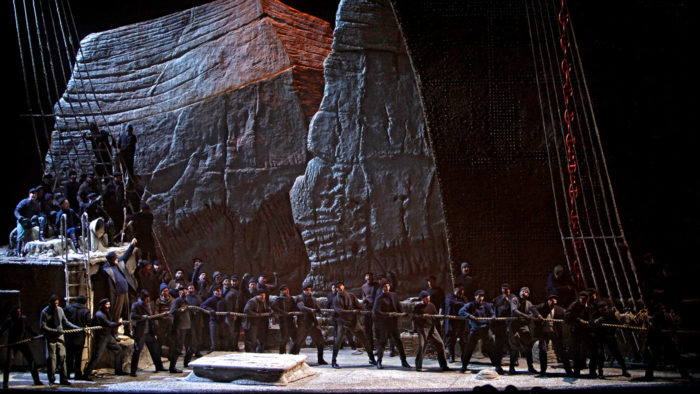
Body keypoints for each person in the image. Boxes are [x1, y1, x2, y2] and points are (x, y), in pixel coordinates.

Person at [330, 281, 377, 368]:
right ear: (336, 289)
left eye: (341, 286)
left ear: (343, 287)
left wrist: (364, 306)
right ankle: (333, 361)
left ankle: (372, 359)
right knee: (338, 342)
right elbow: (340, 311)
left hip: (353, 322)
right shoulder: (335, 299)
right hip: (343, 322)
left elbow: (358, 305)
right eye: (338, 287)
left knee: (364, 340)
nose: (340, 288)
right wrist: (352, 311)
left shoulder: (351, 296)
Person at [458, 290, 503, 374]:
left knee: (491, 348)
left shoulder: (487, 305)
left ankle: (497, 366)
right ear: (475, 297)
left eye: (482, 296)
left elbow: (492, 314)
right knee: (469, 348)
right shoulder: (471, 305)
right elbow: (461, 311)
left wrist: (492, 318)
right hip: (475, 329)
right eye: (479, 296)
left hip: (485, 329)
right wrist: (469, 316)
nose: (481, 298)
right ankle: (464, 366)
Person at [81, 299, 127, 380]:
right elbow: (109, 324)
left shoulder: (107, 313)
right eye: (106, 305)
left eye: (109, 304)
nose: (108, 306)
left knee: (118, 350)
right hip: (102, 338)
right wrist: (121, 323)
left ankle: (118, 370)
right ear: (102, 305)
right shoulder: (99, 314)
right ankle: (86, 374)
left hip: (108, 336)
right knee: (97, 356)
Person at [642, 302, 689, 380]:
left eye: (663, 309)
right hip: (656, 339)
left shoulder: (666, 317)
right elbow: (654, 330)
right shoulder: (655, 318)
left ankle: (684, 373)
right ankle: (648, 375)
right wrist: (646, 344)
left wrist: (671, 333)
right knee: (655, 357)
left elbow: (672, 327)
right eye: (661, 309)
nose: (663, 311)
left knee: (675, 356)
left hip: (665, 338)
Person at [98, 238, 137, 331]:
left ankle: (128, 330)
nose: (116, 260)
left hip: (125, 292)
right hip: (117, 294)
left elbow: (126, 256)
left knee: (126, 313)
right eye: (114, 259)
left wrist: (132, 245)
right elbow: (98, 277)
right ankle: (114, 333)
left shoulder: (118, 262)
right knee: (116, 314)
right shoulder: (106, 268)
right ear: (110, 260)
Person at [39, 294, 79, 385]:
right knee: (52, 359)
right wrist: (54, 331)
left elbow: (65, 322)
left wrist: (76, 328)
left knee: (62, 357)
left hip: (60, 337)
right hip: (50, 338)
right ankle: (51, 379)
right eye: (54, 304)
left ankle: (63, 379)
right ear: (50, 303)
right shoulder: (45, 312)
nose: (56, 305)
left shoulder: (60, 310)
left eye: (57, 303)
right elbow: (43, 326)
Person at [372, 280, 411, 369]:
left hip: (393, 323)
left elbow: (398, 306)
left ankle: (404, 361)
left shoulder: (394, 295)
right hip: (384, 324)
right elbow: (376, 311)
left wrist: (402, 313)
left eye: (388, 286)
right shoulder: (379, 298)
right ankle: (379, 362)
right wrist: (387, 314)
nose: (387, 288)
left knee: (399, 342)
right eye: (385, 286)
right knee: (382, 343)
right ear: (382, 288)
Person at [2, 306, 43, 388]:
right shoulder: (9, 321)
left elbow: (29, 329)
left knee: (31, 361)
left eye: (19, 312)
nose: (19, 314)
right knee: (8, 363)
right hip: (12, 344)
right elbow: (1, 330)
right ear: (13, 314)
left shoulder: (24, 319)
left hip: (23, 343)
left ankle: (37, 380)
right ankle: (5, 383)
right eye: (17, 312)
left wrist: (37, 335)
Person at [533, 294, 572, 376]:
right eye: (551, 302)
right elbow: (532, 308)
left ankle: (568, 370)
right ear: (548, 301)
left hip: (554, 332)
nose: (552, 304)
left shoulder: (559, 310)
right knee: (543, 350)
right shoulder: (543, 306)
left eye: (554, 303)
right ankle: (543, 371)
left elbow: (567, 314)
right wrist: (539, 316)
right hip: (543, 332)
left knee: (561, 350)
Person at [129, 290, 166, 376]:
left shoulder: (149, 305)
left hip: (149, 332)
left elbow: (152, 316)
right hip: (140, 332)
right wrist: (141, 317)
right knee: (137, 351)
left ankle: (159, 366)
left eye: (148, 298)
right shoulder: (136, 305)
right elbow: (132, 316)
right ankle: (133, 371)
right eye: (146, 298)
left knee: (155, 349)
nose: (147, 300)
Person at [412, 290, 449, 372]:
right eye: (426, 299)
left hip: (432, 327)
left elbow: (435, 315)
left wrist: (442, 317)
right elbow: (413, 317)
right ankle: (418, 365)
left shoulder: (431, 305)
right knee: (422, 346)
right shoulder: (417, 307)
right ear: (422, 299)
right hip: (422, 328)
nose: (428, 300)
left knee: (440, 344)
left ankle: (443, 365)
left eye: (429, 298)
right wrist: (421, 316)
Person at [590, 301, 629, 378]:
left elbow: (616, 322)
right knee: (600, 354)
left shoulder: (610, 314)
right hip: (600, 337)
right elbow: (591, 324)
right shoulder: (596, 315)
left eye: (605, 308)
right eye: (602, 308)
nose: (604, 310)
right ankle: (600, 372)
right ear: (599, 309)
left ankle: (624, 369)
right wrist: (597, 321)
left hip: (610, 336)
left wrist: (623, 326)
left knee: (616, 353)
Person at [293, 284, 328, 364]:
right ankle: (294, 360)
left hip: (313, 322)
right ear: (303, 290)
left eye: (309, 290)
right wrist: (311, 310)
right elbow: (301, 307)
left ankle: (320, 359)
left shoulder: (313, 298)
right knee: (298, 342)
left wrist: (318, 310)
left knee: (320, 341)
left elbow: (317, 307)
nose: (308, 291)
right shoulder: (300, 298)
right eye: (306, 290)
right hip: (303, 323)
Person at [565, 290, 594, 378]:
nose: (582, 300)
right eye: (581, 298)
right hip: (576, 331)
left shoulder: (589, 306)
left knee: (591, 351)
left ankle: (592, 371)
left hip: (587, 331)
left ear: (587, 299)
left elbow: (592, 317)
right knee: (576, 351)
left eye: (584, 299)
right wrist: (577, 319)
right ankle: (576, 371)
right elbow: (567, 316)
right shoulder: (574, 305)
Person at [508, 287, 537, 374]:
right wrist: (525, 316)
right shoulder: (515, 300)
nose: (523, 293)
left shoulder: (529, 303)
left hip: (524, 326)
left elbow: (531, 314)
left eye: (526, 292)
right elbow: (514, 310)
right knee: (514, 347)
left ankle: (530, 367)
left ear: (528, 294)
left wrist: (527, 317)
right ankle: (511, 367)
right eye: (522, 291)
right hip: (514, 326)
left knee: (528, 347)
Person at [64, 295, 91, 379]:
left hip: (69, 335)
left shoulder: (68, 308)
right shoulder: (86, 310)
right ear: (85, 302)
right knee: (78, 356)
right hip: (79, 336)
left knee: (69, 355)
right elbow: (89, 323)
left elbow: (63, 319)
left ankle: (67, 373)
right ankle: (77, 374)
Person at [14, 187, 47, 254]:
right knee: (20, 235)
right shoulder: (24, 202)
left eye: (35, 194)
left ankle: (41, 236)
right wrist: (19, 217)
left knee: (42, 218)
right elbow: (16, 211)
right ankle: (18, 251)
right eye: (32, 194)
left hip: (30, 222)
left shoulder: (37, 204)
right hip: (23, 221)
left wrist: (38, 216)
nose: (34, 195)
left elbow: (38, 213)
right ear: (29, 194)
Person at [169, 285, 194, 371]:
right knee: (178, 347)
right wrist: (181, 310)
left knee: (191, 346)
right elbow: (172, 311)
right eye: (183, 293)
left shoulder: (186, 301)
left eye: (186, 293)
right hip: (180, 327)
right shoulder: (177, 301)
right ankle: (172, 367)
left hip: (188, 326)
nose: (185, 294)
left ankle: (186, 363)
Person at [492, 283, 515, 368]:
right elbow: (494, 310)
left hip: (510, 324)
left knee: (511, 345)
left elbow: (515, 309)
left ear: (509, 290)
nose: (505, 291)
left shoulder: (513, 298)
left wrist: (508, 301)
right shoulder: (497, 299)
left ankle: (512, 365)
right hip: (500, 325)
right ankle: (498, 365)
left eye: (507, 289)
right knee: (499, 346)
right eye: (503, 289)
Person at [444, 283, 468, 363]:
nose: (461, 292)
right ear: (455, 289)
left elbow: (467, 306)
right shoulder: (449, 297)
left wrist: (463, 305)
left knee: (463, 340)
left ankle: (463, 357)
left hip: (461, 323)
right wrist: (461, 304)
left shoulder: (464, 298)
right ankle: (452, 356)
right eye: (460, 290)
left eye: (462, 290)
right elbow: (452, 303)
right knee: (451, 340)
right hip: (452, 322)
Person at [271, 285, 298, 354]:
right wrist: (283, 312)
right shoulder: (279, 299)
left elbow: (294, 306)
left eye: (287, 289)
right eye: (284, 290)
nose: (286, 291)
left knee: (294, 337)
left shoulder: (290, 298)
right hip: (283, 320)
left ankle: (292, 353)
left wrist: (293, 311)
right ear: (281, 291)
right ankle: (282, 353)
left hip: (290, 320)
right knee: (284, 337)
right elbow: (273, 306)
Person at [243, 289, 271, 353]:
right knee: (252, 340)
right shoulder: (252, 301)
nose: (263, 297)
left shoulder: (264, 301)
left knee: (261, 339)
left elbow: (266, 308)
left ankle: (259, 352)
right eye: (261, 295)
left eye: (264, 295)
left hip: (260, 323)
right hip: (252, 323)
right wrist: (256, 314)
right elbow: (246, 310)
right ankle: (251, 353)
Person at [201, 286, 225, 352]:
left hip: (221, 321)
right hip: (213, 321)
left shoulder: (223, 300)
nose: (219, 292)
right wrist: (210, 310)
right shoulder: (211, 299)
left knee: (221, 336)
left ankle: (220, 349)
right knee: (214, 337)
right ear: (214, 292)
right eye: (217, 291)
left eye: (220, 291)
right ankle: (214, 349)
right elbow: (202, 305)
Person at [360, 272, 379, 354]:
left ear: (372, 277)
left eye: (370, 275)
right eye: (367, 275)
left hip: (376, 308)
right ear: (365, 277)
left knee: (377, 328)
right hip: (367, 309)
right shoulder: (363, 286)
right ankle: (370, 347)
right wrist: (364, 301)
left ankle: (379, 347)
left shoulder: (377, 285)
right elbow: (363, 296)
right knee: (368, 329)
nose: (368, 277)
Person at [185, 284, 205, 356]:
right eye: (189, 288)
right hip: (190, 320)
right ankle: (190, 352)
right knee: (192, 336)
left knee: (199, 335)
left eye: (192, 288)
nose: (191, 290)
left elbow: (202, 306)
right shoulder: (186, 298)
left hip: (198, 319)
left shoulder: (198, 297)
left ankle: (197, 351)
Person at [155, 284, 173, 351]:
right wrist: (157, 320)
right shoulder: (158, 301)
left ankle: (171, 353)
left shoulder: (172, 300)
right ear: (161, 292)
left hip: (170, 321)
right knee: (160, 338)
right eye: (164, 291)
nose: (166, 292)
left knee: (170, 338)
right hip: (162, 321)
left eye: (167, 291)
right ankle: (159, 353)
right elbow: (156, 311)